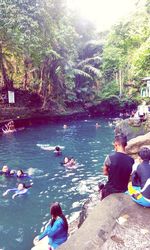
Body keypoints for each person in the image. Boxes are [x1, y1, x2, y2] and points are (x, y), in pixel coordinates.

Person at [99, 134, 134, 200]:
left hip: (110, 191)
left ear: (116, 144)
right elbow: (129, 176)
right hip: (124, 190)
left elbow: (105, 173)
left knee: (101, 187)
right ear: (125, 145)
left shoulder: (109, 157)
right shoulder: (131, 160)